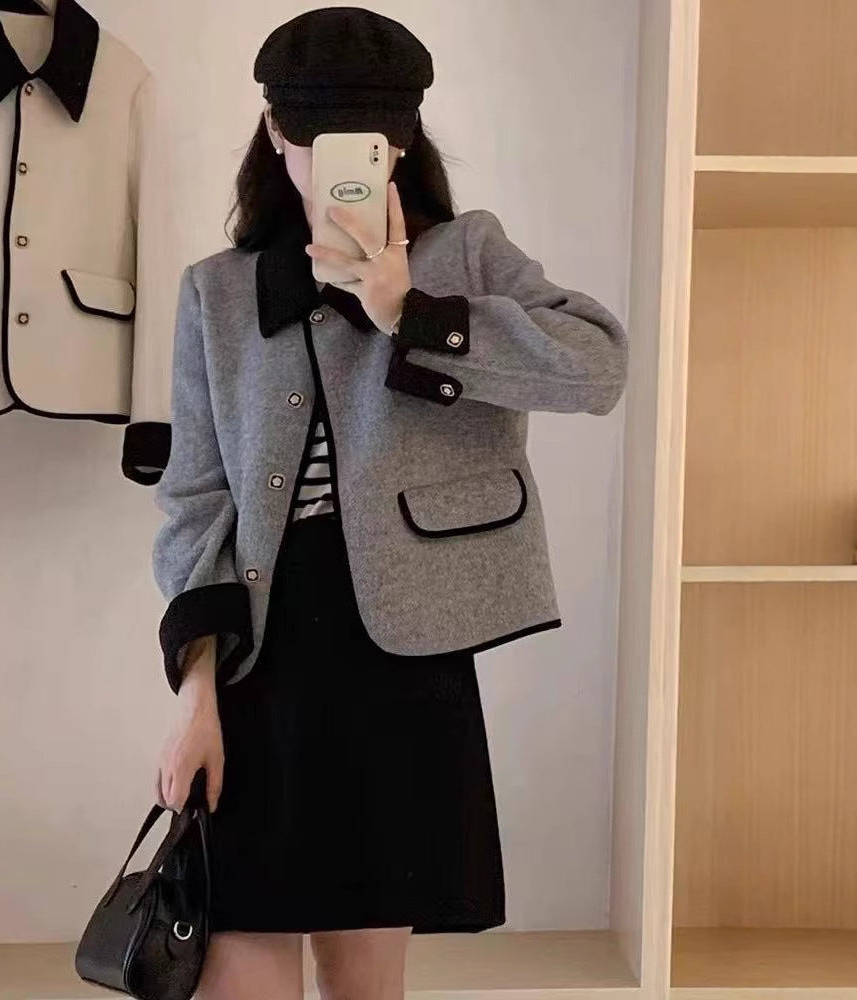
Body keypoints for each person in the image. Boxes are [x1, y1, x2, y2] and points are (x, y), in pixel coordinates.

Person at [152, 7, 628, 999]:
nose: (338, 164)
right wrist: (196, 696)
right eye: (314, 138)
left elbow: (597, 367)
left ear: (401, 142)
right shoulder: (216, 293)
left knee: (366, 983)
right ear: (275, 132)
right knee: (237, 970)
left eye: (367, 141)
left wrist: (416, 314)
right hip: (258, 661)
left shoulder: (465, 255)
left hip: (404, 658)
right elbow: (195, 500)